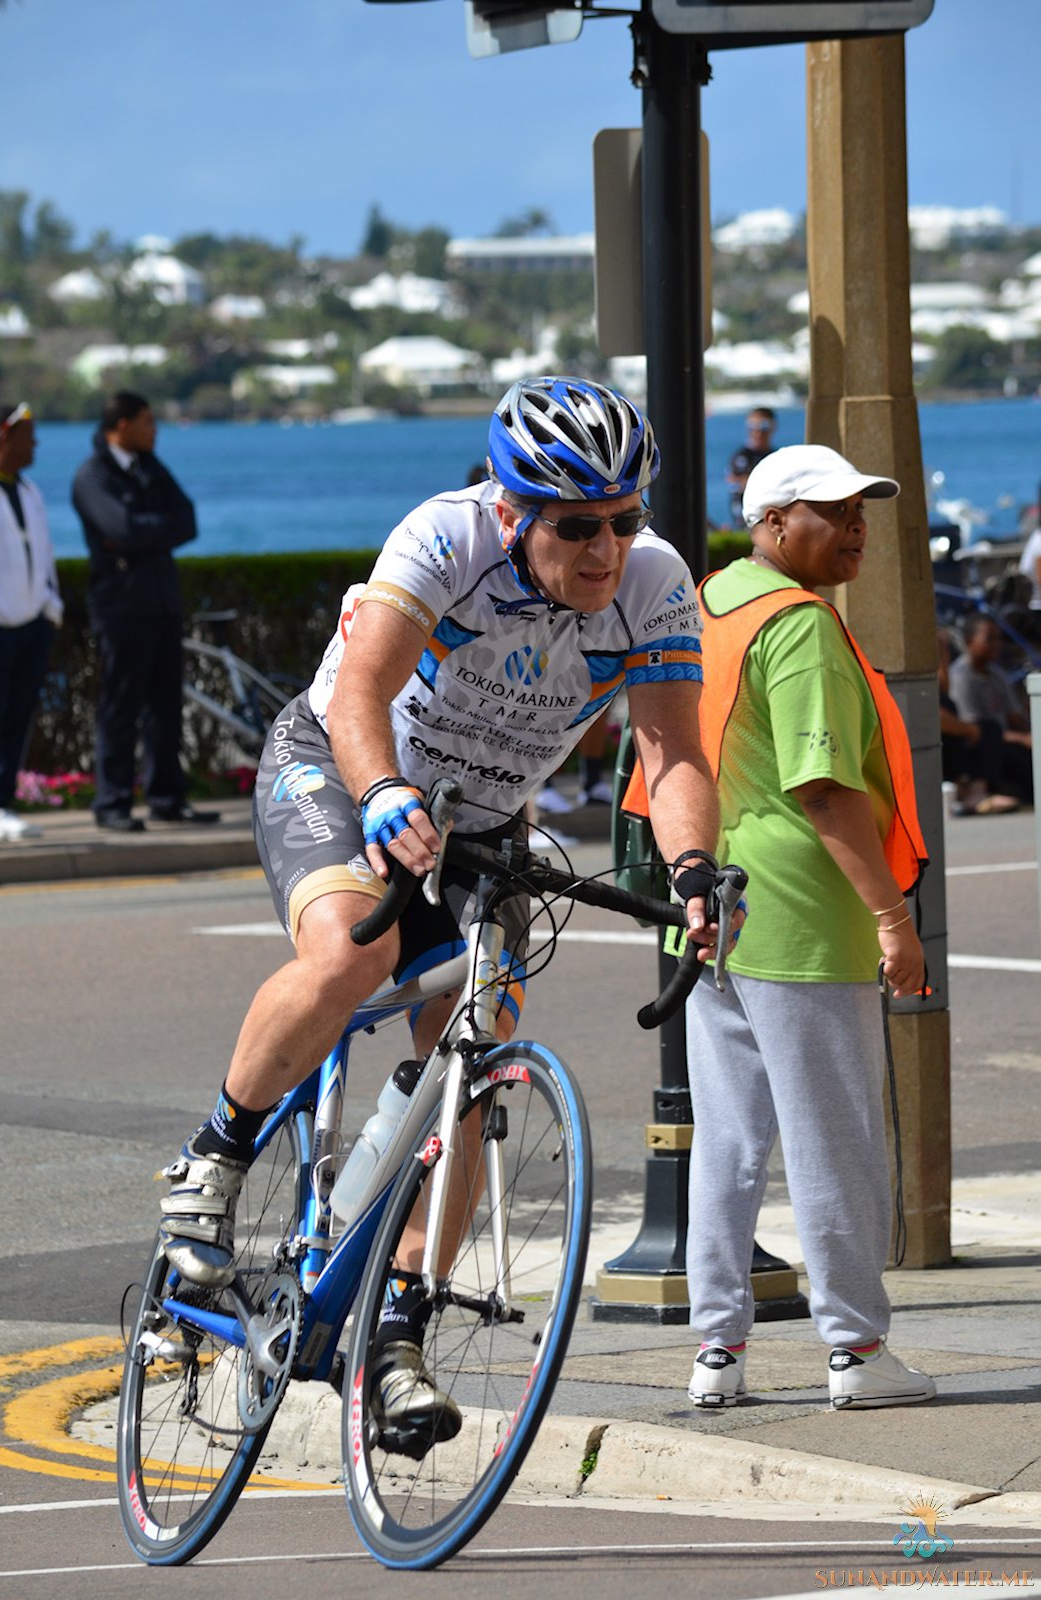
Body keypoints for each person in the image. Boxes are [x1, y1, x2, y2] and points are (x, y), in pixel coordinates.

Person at [157, 375, 728, 1451]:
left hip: (484, 822)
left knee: (476, 1050)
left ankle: (399, 1333)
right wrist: (380, 793)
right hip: (339, 764)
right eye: (575, 526)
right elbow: (363, 692)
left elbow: (673, 751)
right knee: (346, 953)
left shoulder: (653, 587)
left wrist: (695, 868)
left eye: (624, 519)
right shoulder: (443, 537)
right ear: (513, 513)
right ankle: (215, 1157)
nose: (604, 548)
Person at [678, 443, 935, 1411]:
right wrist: (889, 914)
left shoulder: (708, 605)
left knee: (728, 1142)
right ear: (774, 522)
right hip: (800, 911)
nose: (858, 527)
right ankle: (857, 1351)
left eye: (863, 510)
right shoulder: (799, 627)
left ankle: (717, 1351)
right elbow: (822, 788)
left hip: (707, 906)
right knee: (836, 1139)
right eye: (835, 510)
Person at [72, 391, 219, 832]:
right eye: (146, 421)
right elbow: (120, 527)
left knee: (165, 708)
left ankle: (166, 798)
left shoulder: (148, 466)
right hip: (120, 607)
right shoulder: (92, 476)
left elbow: (187, 519)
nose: (154, 430)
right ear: (121, 425)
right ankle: (112, 801)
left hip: (161, 602)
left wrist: (141, 533)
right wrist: (152, 530)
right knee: (121, 707)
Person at [0, 402, 62, 845]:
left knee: (17, 716)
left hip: (31, 621)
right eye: (28, 435)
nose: (35, 444)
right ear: (2, 437)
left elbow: (44, 553)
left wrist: (50, 606)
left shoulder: (28, 490)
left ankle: (2, 802)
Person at [947, 614, 1033, 805]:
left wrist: (1030, 732)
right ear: (969, 642)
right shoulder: (961, 677)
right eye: (989, 639)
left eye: (998, 639)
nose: (997, 644)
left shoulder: (997, 673)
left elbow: (1015, 717)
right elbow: (976, 730)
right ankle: (980, 792)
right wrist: (1024, 739)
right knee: (998, 739)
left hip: (1008, 741)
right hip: (982, 748)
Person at [937, 629, 1017, 816]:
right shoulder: (963, 674)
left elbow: (941, 691)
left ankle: (976, 791)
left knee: (990, 730)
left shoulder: (997, 673)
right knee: (986, 731)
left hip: (955, 738)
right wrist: (970, 730)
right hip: (945, 742)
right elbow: (932, 714)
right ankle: (971, 794)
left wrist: (942, 653)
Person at [726, 407, 776, 527]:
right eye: (752, 426)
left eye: (764, 426)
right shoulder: (741, 457)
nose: (757, 431)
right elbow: (736, 482)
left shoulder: (775, 456)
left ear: (772, 427)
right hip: (746, 521)